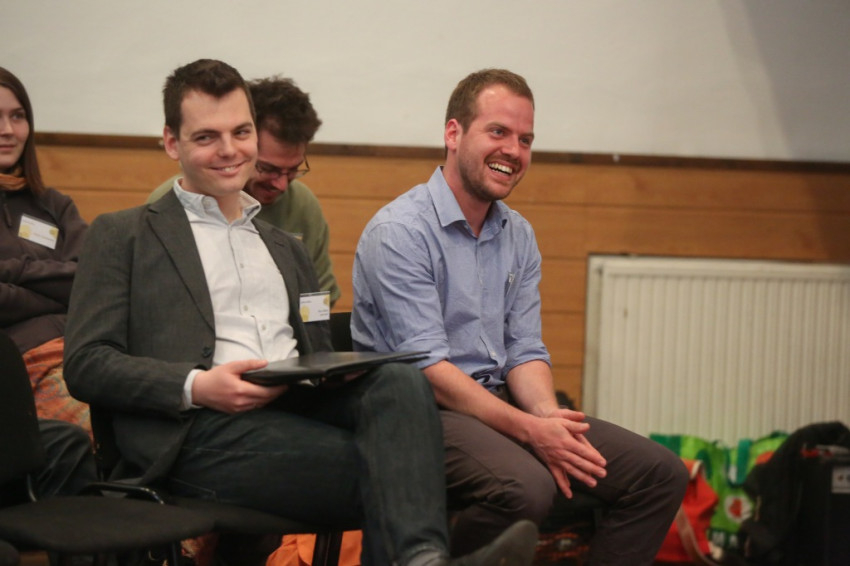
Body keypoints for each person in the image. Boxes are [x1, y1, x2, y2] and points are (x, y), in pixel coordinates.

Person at [64, 59, 538, 566]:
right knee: (397, 468)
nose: (229, 150)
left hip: (295, 408)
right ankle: (423, 559)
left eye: (241, 132)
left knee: (399, 379)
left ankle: (422, 560)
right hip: (196, 430)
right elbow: (86, 363)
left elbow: (315, 350)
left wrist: (331, 372)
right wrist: (197, 385)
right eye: (206, 137)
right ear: (171, 143)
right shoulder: (124, 235)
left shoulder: (285, 247)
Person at [352, 68, 689, 564]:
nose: (513, 150)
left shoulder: (518, 234)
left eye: (525, 139)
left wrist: (548, 419)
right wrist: (529, 431)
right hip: (420, 414)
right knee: (527, 488)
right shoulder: (400, 232)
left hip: (497, 400)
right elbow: (428, 371)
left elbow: (524, 350)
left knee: (660, 475)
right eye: (498, 132)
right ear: (453, 134)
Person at [147, 76, 340, 306]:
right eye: (268, 169)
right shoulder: (170, 201)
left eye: (292, 170)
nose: (281, 185)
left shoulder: (302, 204)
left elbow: (318, 294)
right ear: (245, 142)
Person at [0, 66, 97, 502]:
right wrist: (55, 287)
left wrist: (12, 271)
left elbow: (91, 280)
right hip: (19, 366)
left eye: (18, 116)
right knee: (99, 434)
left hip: (84, 349)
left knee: (161, 423)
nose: (8, 130)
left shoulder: (52, 204)